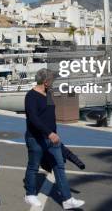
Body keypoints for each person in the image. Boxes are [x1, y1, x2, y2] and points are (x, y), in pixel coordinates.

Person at [23, 69, 84, 210]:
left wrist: (54, 134)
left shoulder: (49, 94)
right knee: (33, 166)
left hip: (52, 139)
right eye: (51, 81)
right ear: (45, 82)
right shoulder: (31, 96)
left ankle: (67, 199)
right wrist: (49, 133)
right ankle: (30, 194)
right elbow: (33, 119)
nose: (53, 83)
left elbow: (49, 116)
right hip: (36, 139)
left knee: (59, 166)